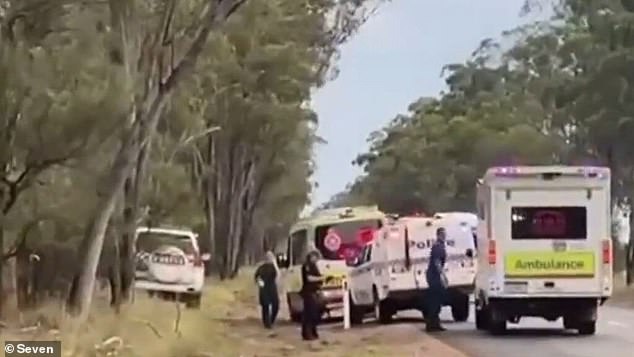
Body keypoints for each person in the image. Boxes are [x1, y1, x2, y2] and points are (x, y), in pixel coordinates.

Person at [425, 227, 448, 332]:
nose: (444, 236)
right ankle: (432, 324)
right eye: (442, 234)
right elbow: (437, 262)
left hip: (433, 276)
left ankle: (434, 323)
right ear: (438, 235)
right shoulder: (438, 247)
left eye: (445, 234)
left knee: (436, 301)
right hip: (434, 276)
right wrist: (442, 276)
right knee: (435, 301)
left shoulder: (440, 246)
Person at [300, 250, 324, 340]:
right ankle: (307, 333)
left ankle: (313, 332)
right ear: (312, 257)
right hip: (308, 292)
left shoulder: (314, 266)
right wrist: (321, 278)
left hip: (315, 291)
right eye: (316, 258)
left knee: (316, 313)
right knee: (309, 314)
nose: (317, 260)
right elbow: (309, 278)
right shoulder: (307, 266)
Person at [254, 251, 280, 329]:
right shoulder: (261, 267)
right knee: (265, 306)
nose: (269, 258)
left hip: (272, 287)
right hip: (264, 288)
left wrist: (275, 263)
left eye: (271, 257)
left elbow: (278, 275)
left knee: (276, 305)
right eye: (268, 257)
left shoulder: (274, 267)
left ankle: (271, 320)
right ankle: (267, 323)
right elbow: (256, 276)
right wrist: (259, 282)